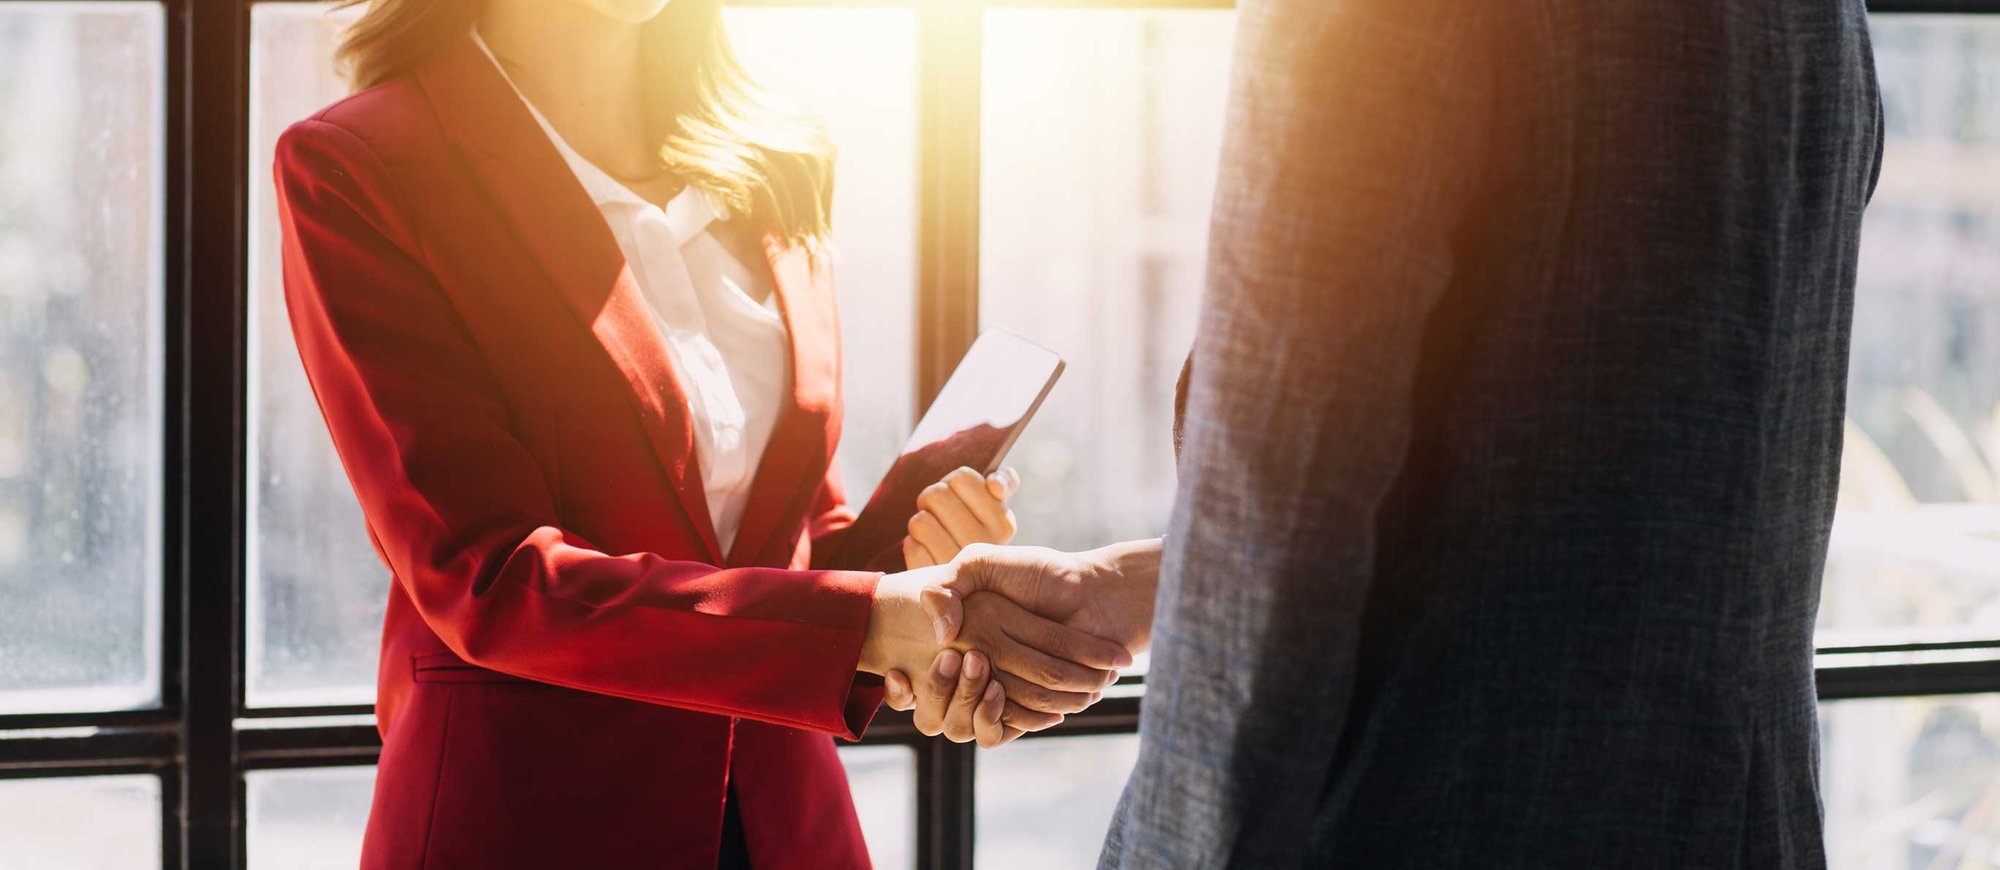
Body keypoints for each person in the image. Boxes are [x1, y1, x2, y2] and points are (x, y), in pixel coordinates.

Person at [913, 0, 1885, 866]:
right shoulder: (1821, 20)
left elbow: (1281, 516)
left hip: (1431, 819)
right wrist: (1146, 585)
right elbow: (1610, 487)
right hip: (1729, 818)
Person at [272, 0, 1131, 864]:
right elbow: (487, 577)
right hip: (531, 822)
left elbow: (788, 531)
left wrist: (920, 570)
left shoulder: (778, 159)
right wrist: (871, 623)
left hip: (788, 822)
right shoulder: (363, 164)